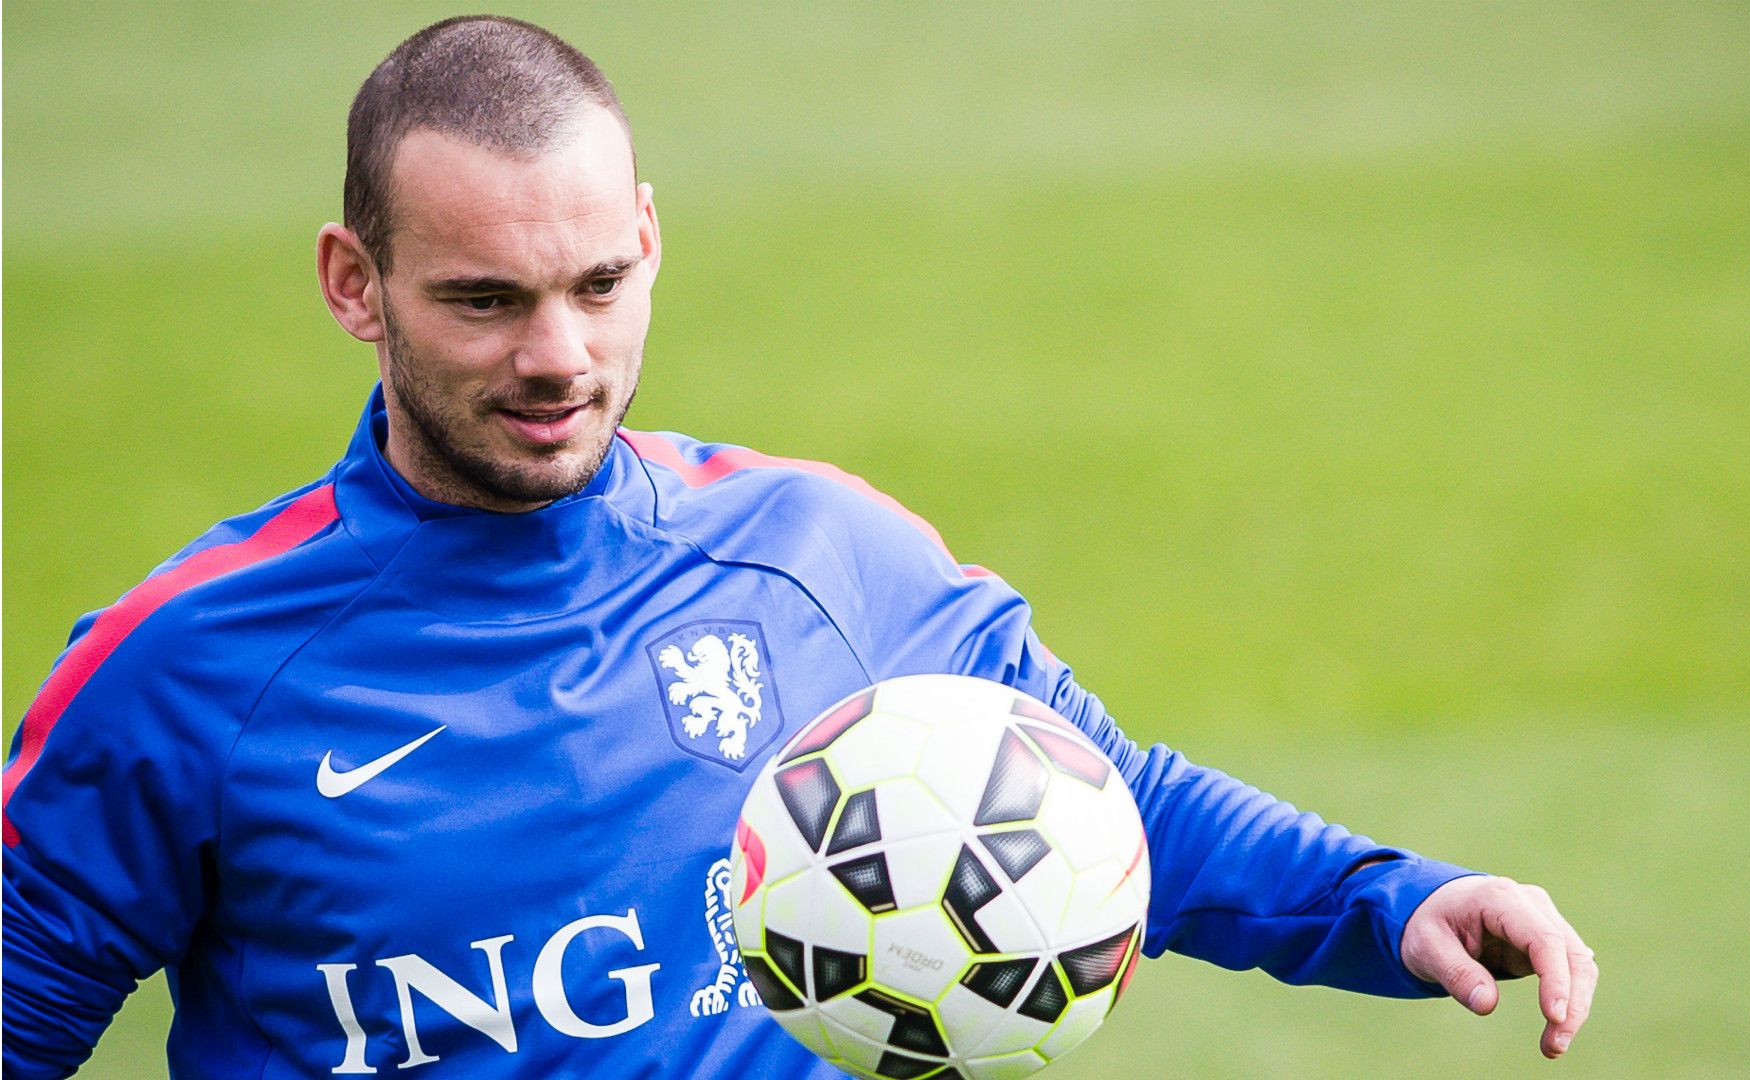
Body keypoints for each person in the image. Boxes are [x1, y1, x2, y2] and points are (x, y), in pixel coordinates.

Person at [1, 16, 1596, 1079]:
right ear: (357, 284)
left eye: (601, 283)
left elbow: (1103, 804)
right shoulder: (186, 675)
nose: (561, 355)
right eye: (485, 299)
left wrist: (1390, 903)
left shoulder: (815, 557)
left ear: (650, 239)